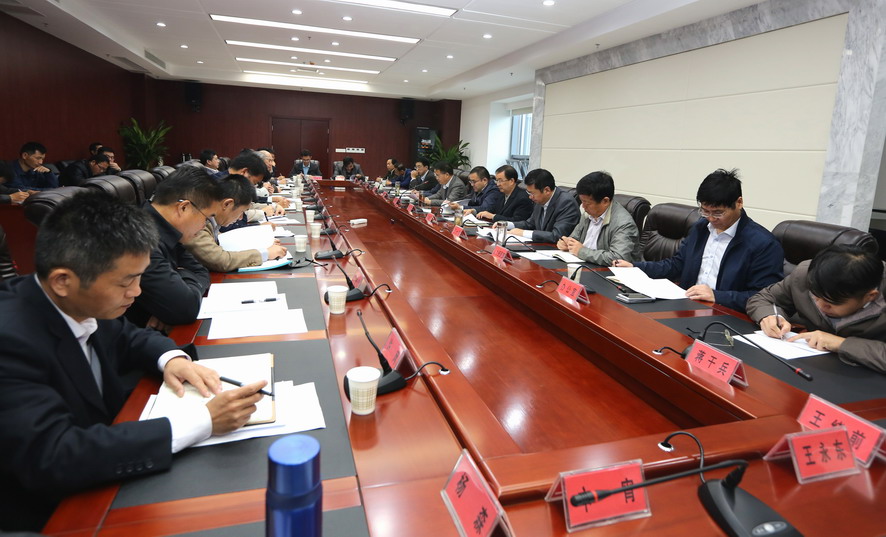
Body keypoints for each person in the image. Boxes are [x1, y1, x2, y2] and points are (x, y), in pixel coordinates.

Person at [0, 190, 265, 531]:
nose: (137, 292)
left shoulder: (79, 299)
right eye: (126, 282)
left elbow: (128, 337)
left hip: (111, 471)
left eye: (140, 276)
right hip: (59, 513)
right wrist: (203, 421)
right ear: (63, 280)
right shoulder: (10, 341)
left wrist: (172, 358)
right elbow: (56, 454)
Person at [613, 168, 783, 313]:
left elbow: (763, 298)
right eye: (705, 211)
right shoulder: (701, 228)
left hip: (726, 314)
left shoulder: (763, 244)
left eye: (718, 212)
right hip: (686, 307)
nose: (711, 218)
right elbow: (677, 265)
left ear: (739, 203)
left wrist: (717, 296)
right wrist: (636, 268)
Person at [747, 244, 886, 373]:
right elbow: (763, 298)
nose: (820, 305)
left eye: (830, 303)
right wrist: (769, 315)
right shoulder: (807, 274)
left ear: (870, 296)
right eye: (816, 297)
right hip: (807, 367)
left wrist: (841, 343)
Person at [125, 167, 224, 330]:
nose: (204, 226)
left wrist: (181, 277)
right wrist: (184, 277)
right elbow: (186, 308)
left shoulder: (166, 228)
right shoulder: (141, 240)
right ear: (183, 208)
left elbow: (201, 271)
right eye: (206, 218)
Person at [186, 175, 288, 272]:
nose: (241, 218)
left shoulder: (212, 218)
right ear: (227, 204)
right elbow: (220, 260)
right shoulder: (198, 223)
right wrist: (265, 253)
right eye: (241, 212)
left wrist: (260, 243)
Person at [556, 171, 641, 265]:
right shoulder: (588, 214)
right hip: (585, 265)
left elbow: (618, 259)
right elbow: (574, 239)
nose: (583, 206)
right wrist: (567, 243)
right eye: (582, 201)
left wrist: (581, 251)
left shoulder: (624, 224)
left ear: (605, 201)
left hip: (607, 272)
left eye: (587, 203)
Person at [506, 168, 580, 243]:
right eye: (529, 193)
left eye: (532, 193)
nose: (530, 197)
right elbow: (530, 224)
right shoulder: (540, 199)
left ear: (547, 190)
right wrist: (506, 225)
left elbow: (557, 236)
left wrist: (523, 233)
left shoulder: (566, 203)